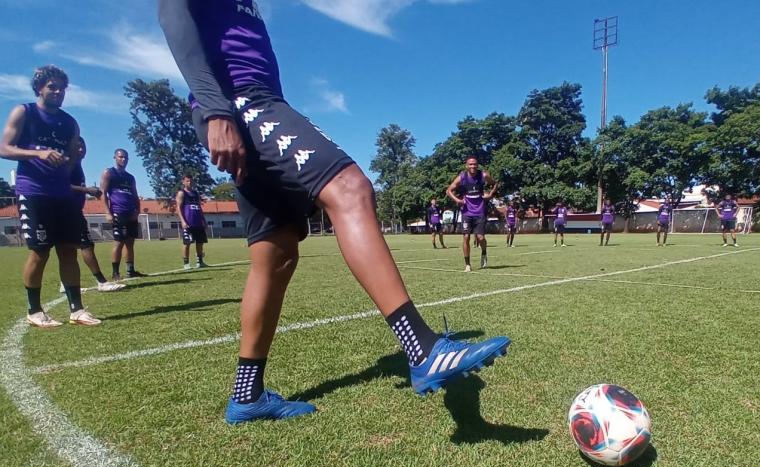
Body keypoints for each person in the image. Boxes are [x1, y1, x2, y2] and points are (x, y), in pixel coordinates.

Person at [158, 0, 510, 424]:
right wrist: (216, 109)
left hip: (251, 104)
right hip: (242, 102)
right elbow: (172, 11)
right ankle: (422, 348)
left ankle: (247, 394)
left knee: (276, 252)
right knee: (351, 187)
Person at [0, 65, 101, 327]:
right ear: (39, 88)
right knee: (40, 252)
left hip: (62, 194)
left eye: (62, 88)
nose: (58, 92)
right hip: (34, 192)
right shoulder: (25, 112)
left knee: (68, 250)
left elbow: (67, 162)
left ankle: (77, 309)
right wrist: (38, 153)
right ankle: (34, 311)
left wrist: (72, 160)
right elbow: (4, 148)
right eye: (52, 87)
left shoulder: (70, 123)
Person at [66, 137, 125, 292]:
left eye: (83, 146)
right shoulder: (69, 164)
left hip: (74, 210)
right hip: (68, 210)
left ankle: (64, 284)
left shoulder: (77, 165)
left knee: (68, 248)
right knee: (86, 245)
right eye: (77, 146)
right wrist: (87, 190)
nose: (81, 149)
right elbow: (60, 185)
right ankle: (101, 282)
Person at [101, 148, 146, 280]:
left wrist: (137, 211)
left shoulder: (130, 177)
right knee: (118, 243)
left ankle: (130, 270)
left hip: (131, 214)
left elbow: (135, 196)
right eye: (120, 157)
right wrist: (107, 212)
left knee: (130, 243)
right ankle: (115, 273)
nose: (123, 159)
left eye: (125, 157)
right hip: (118, 213)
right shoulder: (109, 173)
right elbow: (103, 193)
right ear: (115, 158)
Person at [446, 157, 497, 272]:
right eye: (470, 164)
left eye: (474, 164)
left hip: (480, 211)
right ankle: (467, 264)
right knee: (466, 237)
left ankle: (484, 253)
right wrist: (457, 200)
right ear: (466, 166)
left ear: (477, 165)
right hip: (466, 212)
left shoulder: (483, 175)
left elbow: (495, 184)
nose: (472, 166)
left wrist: (490, 195)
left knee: (480, 237)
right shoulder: (462, 177)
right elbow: (448, 190)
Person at [176, 174, 209, 268]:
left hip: (198, 222)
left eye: (191, 181)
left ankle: (200, 262)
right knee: (187, 243)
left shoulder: (195, 193)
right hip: (188, 223)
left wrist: (204, 220)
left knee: (200, 242)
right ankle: (186, 263)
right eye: (187, 181)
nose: (189, 183)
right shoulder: (181, 193)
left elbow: (200, 207)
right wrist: (183, 221)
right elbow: (178, 208)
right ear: (183, 182)